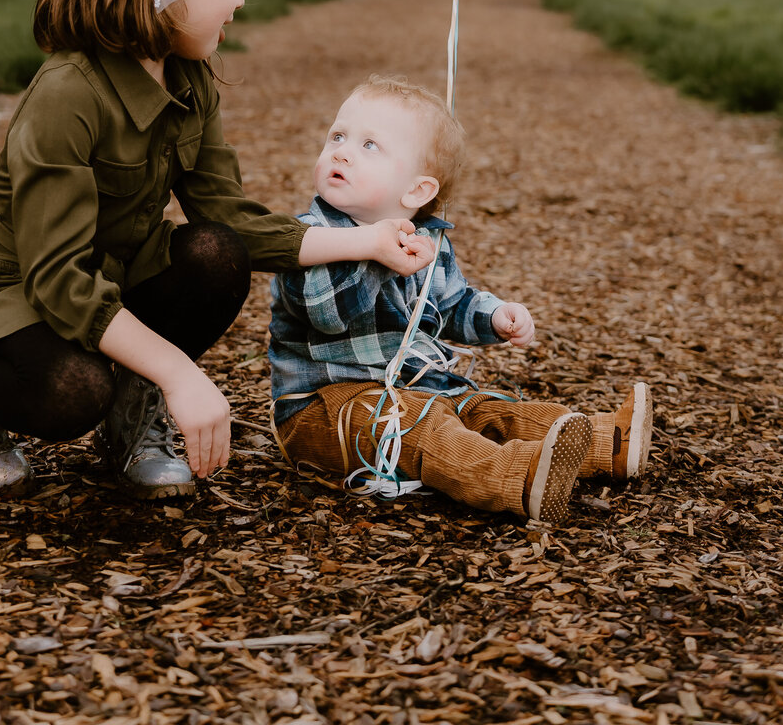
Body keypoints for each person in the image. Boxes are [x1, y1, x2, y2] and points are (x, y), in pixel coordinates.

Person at [0, 0, 436, 501]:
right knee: (73, 393)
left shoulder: (189, 81)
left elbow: (231, 218)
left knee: (218, 253)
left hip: (110, 274)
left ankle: (132, 416)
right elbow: (54, 278)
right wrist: (178, 373)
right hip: (18, 291)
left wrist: (370, 239)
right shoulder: (67, 95)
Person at [269, 74, 653, 526]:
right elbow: (327, 315)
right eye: (338, 135)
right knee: (420, 427)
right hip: (325, 410)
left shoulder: (428, 240)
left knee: (487, 409)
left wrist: (495, 317)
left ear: (416, 191)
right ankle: (516, 476)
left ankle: (609, 443)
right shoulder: (309, 238)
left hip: (417, 390)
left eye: (369, 145)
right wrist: (374, 251)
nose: (342, 150)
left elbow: (450, 306)